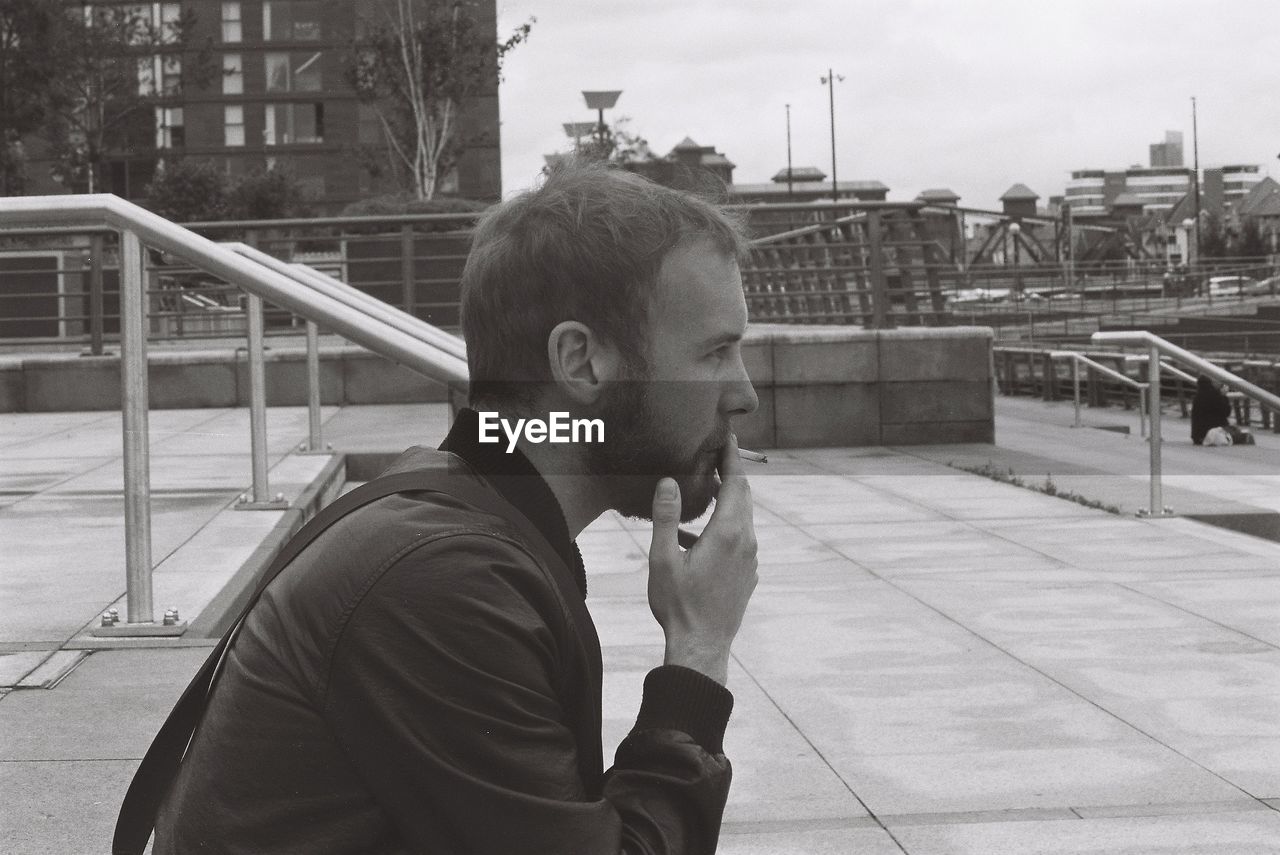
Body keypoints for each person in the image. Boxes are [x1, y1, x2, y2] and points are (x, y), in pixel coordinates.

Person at [152, 162, 761, 853]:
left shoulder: (461, 505)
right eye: (715, 353)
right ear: (582, 362)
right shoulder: (444, 580)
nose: (745, 396)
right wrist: (700, 650)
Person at [1191, 374, 1232, 445]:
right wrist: (1224, 396)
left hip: (1198, 436)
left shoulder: (1197, 396)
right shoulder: (1215, 395)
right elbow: (1226, 412)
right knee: (1236, 431)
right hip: (1212, 435)